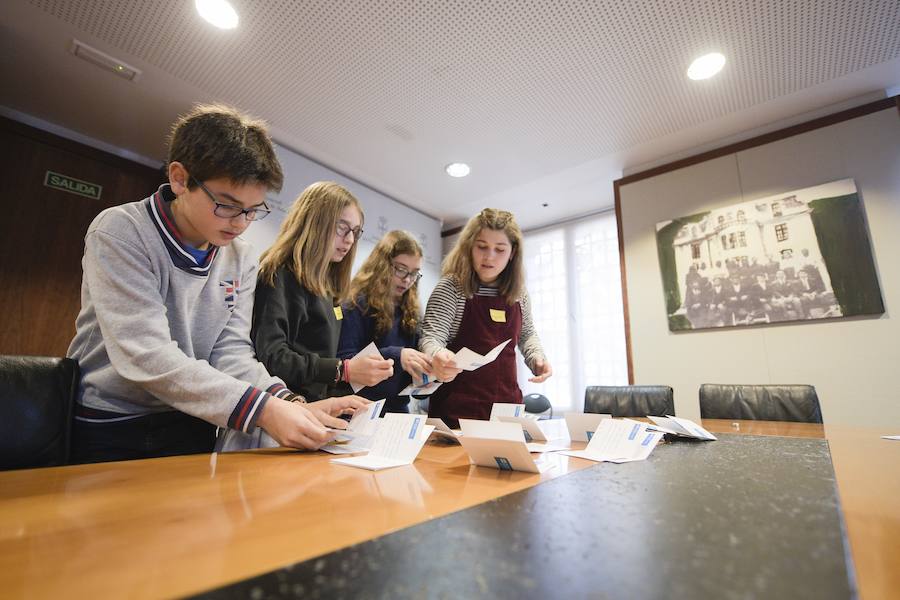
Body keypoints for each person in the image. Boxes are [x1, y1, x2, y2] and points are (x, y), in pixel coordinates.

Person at [67, 104, 367, 463]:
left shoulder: (240, 256)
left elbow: (231, 352)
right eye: (227, 205)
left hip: (193, 416)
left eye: (254, 209)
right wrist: (265, 411)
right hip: (113, 420)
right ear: (180, 179)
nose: (241, 223)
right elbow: (146, 355)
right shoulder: (122, 231)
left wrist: (290, 403)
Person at [250, 181, 394, 403]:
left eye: (355, 232)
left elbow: (319, 368)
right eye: (341, 227)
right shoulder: (280, 274)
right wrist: (343, 370)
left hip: (312, 413)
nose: (349, 240)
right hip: (281, 411)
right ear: (314, 222)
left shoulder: (328, 287)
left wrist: (342, 397)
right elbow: (272, 357)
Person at [419, 208, 551, 427]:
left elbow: (527, 334)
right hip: (457, 411)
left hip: (507, 409)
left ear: (512, 253)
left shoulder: (518, 293)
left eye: (499, 249)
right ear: (469, 246)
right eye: (482, 247)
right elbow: (431, 338)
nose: (489, 256)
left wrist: (537, 358)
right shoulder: (451, 288)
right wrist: (438, 354)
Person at [337, 230, 433, 414]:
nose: (407, 280)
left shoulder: (411, 310)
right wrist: (398, 357)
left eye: (414, 273)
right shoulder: (355, 303)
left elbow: (417, 390)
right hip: (359, 410)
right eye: (400, 269)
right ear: (382, 264)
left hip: (398, 413)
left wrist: (428, 377)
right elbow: (345, 363)